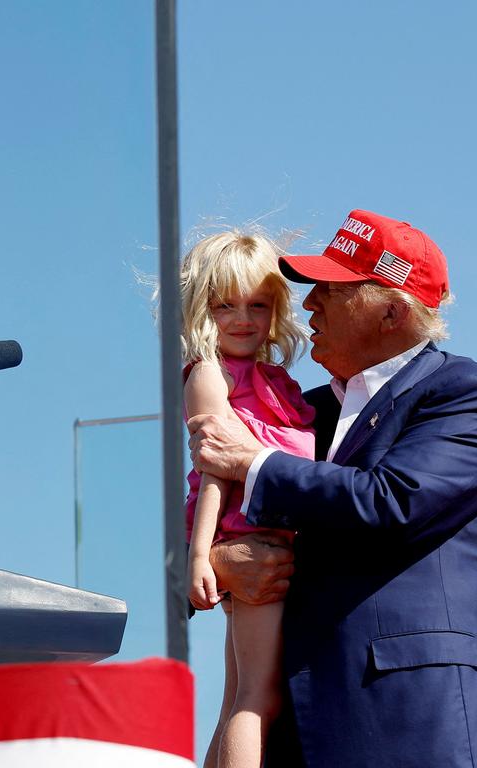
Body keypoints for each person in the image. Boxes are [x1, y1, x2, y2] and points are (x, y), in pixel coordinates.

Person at [188, 210, 477, 768]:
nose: (309, 305)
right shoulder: (304, 412)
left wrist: (253, 464)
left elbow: (394, 501)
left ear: (391, 311)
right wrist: (219, 560)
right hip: (307, 735)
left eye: (330, 289)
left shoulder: (464, 393)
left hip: (425, 732)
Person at [180, 229, 316, 768]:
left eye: (257, 305)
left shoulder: (274, 380)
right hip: (249, 535)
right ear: (200, 308)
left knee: (241, 692)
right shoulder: (210, 374)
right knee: (258, 696)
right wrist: (198, 555)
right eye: (224, 306)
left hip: (267, 532)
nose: (243, 319)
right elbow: (214, 467)